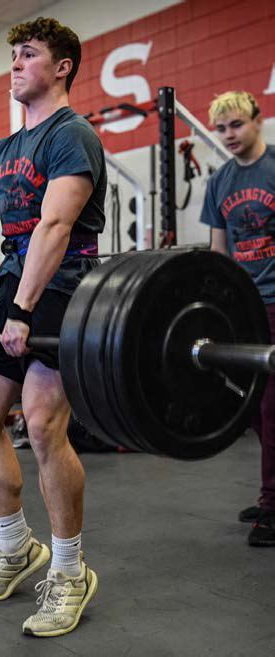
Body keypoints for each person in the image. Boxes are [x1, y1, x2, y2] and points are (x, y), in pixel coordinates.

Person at [0, 17, 107, 637]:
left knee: (42, 424)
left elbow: (56, 229)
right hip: (15, 287)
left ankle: (69, 570)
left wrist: (25, 312)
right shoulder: (5, 151)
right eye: (11, 55)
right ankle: (16, 548)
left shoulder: (73, 134)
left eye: (27, 54)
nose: (14, 64)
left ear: (61, 66)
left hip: (66, 286)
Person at [200, 90, 275, 547]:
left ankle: (271, 506)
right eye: (222, 128)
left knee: (271, 407)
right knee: (246, 404)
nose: (229, 134)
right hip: (243, 306)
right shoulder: (219, 182)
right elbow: (216, 251)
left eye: (236, 124)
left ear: (256, 120)